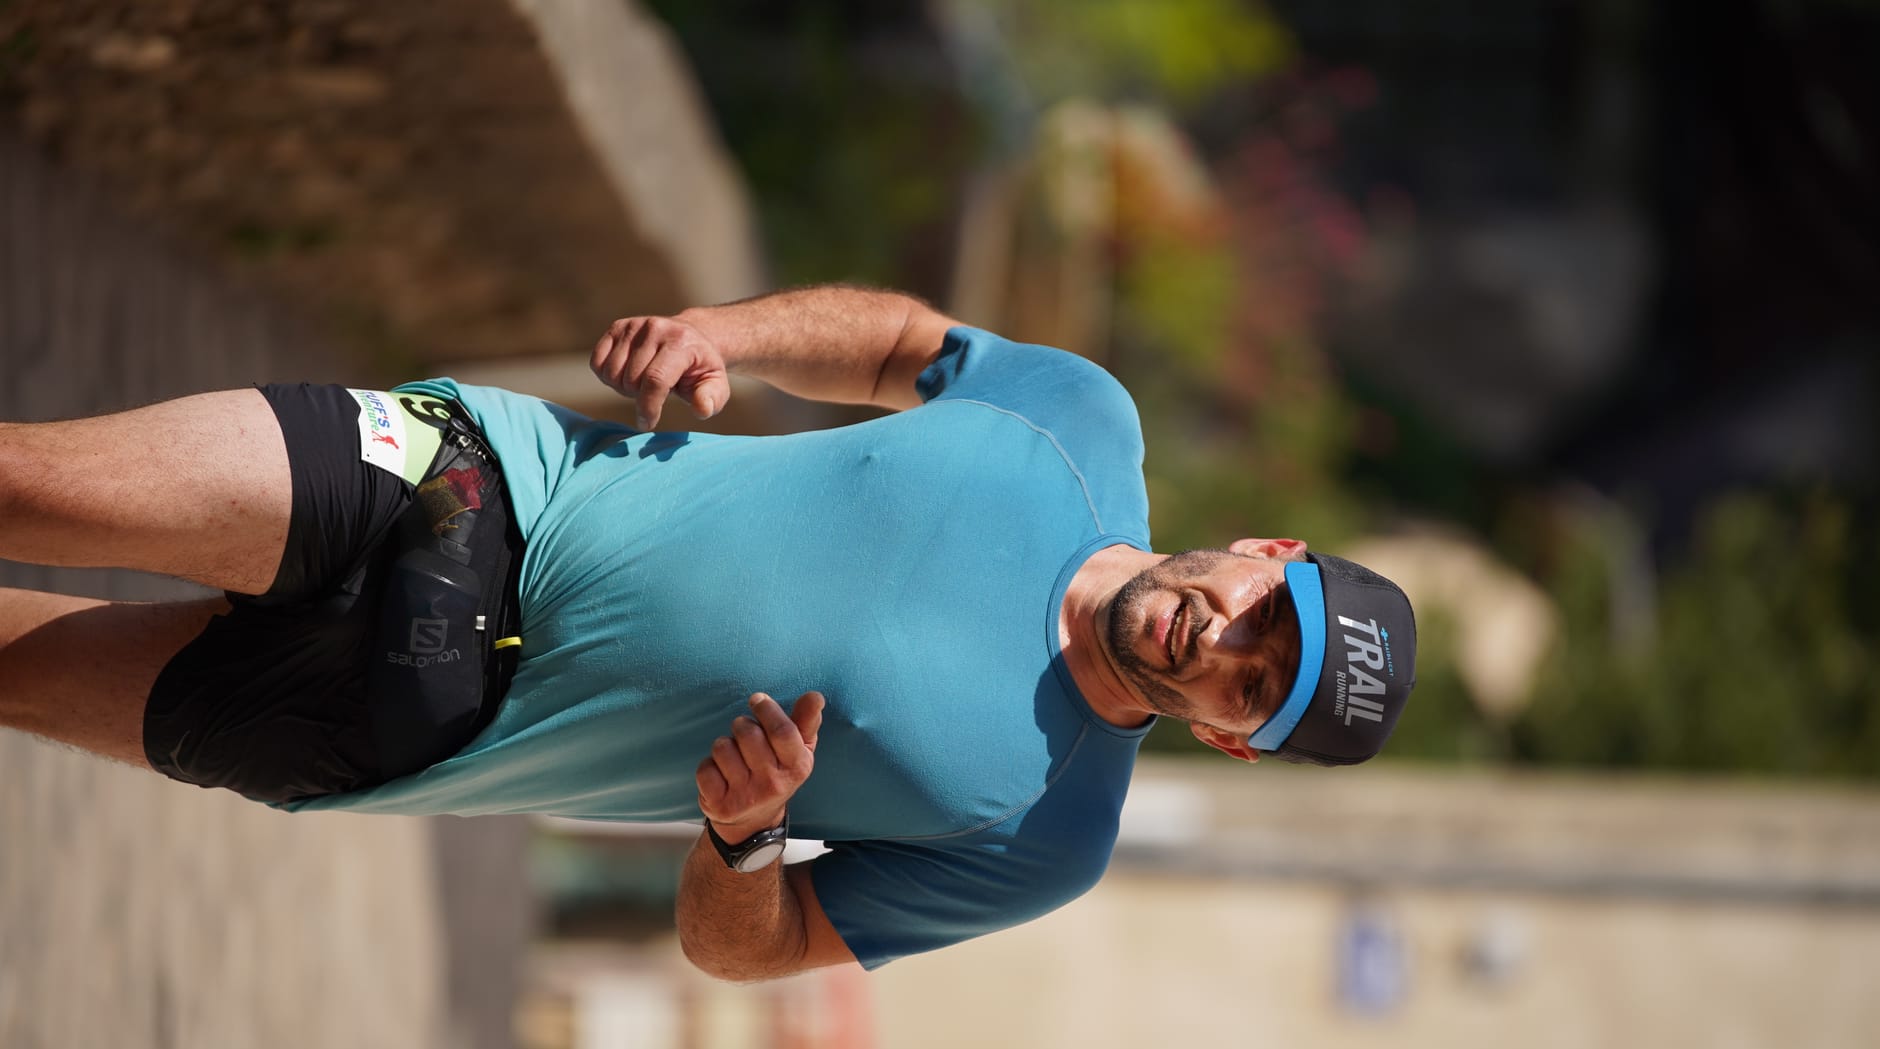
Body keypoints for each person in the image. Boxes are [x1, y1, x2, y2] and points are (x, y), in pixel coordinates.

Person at [0, 284, 1416, 977]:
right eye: (1265, 621)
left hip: (406, 724)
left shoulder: (1046, 838)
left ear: (1236, 744)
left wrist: (743, 840)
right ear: (1270, 553)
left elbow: (755, 945)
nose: (1224, 650)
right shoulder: (1084, 420)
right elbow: (898, 347)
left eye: (1257, 692)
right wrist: (719, 334)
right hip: (480, 481)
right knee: (34, 482)